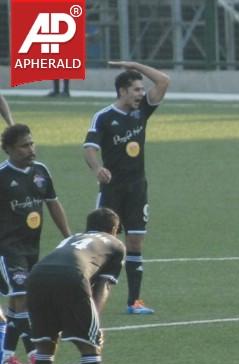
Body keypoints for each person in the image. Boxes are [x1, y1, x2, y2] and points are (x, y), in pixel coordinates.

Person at [83, 61, 170, 315]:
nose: (141, 94)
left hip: (137, 188)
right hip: (112, 190)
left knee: (135, 242)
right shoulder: (104, 117)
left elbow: (164, 80)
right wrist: (97, 168)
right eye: (136, 89)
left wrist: (134, 66)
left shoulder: (142, 110)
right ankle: (85, 297)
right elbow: (89, 148)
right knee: (101, 246)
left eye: (142, 89)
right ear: (122, 91)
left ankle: (134, 302)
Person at [28, 208, 125, 364]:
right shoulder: (115, 244)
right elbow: (103, 286)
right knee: (90, 347)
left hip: (37, 276)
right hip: (71, 276)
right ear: (114, 229)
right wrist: (94, 322)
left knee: (45, 347)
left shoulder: (72, 238)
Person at [0, 124, 72, 364]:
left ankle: (29, 353)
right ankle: (8, 357)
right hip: (7, 249)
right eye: (24, 146)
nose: (31, 150)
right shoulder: (2, 176)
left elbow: (53, 203)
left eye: (32, 144)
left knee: (20, 306)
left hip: (31, 249)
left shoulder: (41, 171)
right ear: (8, 149)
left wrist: (68, 237)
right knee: (23, 300)